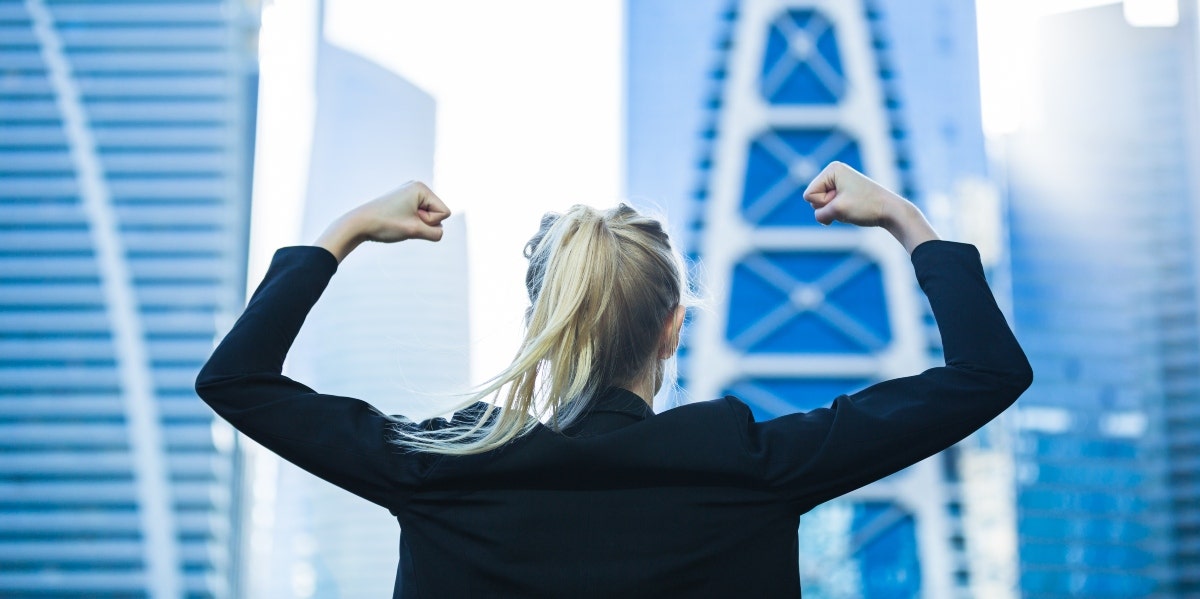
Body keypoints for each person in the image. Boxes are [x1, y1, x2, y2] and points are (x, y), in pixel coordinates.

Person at [196, 161, 1032, 598]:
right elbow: (988, 372)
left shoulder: (443, 464)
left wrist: (343, 231)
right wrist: (903, 217)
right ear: (674, 324)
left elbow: (237, 380)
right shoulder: (751, 463)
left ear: (543, 323)